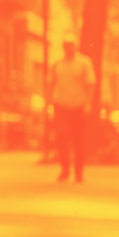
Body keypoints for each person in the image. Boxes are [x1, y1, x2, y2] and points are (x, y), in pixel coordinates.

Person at [50, 34, 95, 183]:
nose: (69, 48)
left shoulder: (84, 63)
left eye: (71, 45)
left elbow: (90, 84)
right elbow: (51, 84)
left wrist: (88, 104)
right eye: (66, 45)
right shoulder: (57, 64)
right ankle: (65, 170)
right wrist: (49, 103)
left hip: (79, 105)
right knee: (62, 136)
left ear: (75, 46)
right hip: (61, 104)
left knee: (78, 139)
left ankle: (79, 171)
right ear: (63, 47)